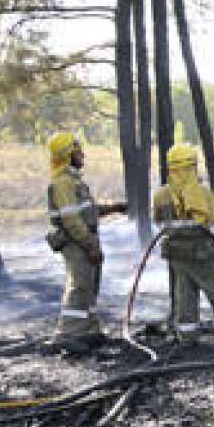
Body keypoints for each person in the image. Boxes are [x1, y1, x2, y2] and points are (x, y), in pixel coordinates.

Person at [152, 144, 214, 341]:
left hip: (177, 255)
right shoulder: (201, 194)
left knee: (184, 297)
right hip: (204, 254)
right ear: (191, 167)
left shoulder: (161, 195)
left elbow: (159, 223)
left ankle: (187, 337)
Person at [45, 132, 125, 352]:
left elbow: (87, 212)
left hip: (84, 238)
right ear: (67, 155)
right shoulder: (63, 183)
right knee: (80, 286)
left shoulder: (74, 181)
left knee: (89, 286)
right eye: (78, 151)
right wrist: (90, 245)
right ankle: (68, 334)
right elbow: (71, 220)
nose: (83, 155)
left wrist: (114, 208)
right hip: (76, 242)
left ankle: (88, 330)